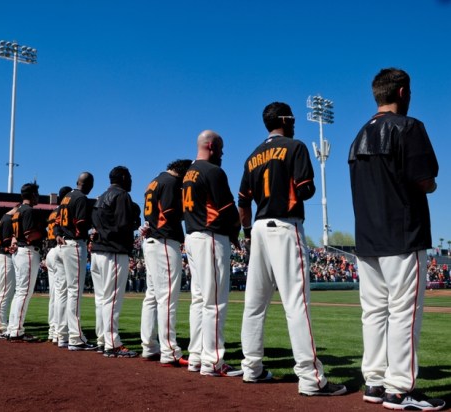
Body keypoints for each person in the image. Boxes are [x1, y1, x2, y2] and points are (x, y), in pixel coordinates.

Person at [348, 68, 444, 410]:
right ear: (402, 92)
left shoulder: (358, 135)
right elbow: (425, 180)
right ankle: (400, 389)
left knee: (373, 313)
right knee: (404, 312)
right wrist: (428, 185)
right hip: (402, 234)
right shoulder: (409, 127)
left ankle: (374, 382)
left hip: (367, 238)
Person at [238, 102, 346, 395]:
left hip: (258, 228)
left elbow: (243, 202)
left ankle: (252, 369)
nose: (295, 122)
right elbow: (305, 188)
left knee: (254, 304)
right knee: (297, 304)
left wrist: (247, 233)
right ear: (284, 119)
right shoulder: (295, 146)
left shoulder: (252, 156)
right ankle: (311, 379)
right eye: (292, 118)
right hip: (285, 226)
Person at [182, 130, 242, 377]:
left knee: (199, 299)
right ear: (211, 146)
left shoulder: (188, 173)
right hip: (211, 237)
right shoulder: (213, 171)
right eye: (221, 148)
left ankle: (196, 356)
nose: (223, 153)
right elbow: (228, 209)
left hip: (192, 237)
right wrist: (236, 233)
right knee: (215, 302)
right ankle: (213, 361)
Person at [140, 159, 192, 366]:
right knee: (167, 298)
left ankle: (149, 346)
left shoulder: (154, 181)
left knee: (152, 296)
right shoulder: (171, 182)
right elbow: (169, 212)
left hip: (152, 240)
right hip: (163, 241)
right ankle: (169, 350)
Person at [91, 166, 138, 357]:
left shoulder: (100, 197)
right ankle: (112, 343)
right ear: (124, 177)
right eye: (130, 177)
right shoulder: (121, 196)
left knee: (101, 299)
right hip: (114, 252)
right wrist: (134, 223)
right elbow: (123, 225)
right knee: (112, 299)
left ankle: (102, 339)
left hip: (98, 252)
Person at [55, 172, 97, 351]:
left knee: (64, 292)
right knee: (74, 292)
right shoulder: (80, 198)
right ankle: (75, 338)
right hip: (74, 245)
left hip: (63, 245)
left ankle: (62, 335)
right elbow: (81, 225)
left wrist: (57, 234)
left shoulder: (66, 198)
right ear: (89, 185)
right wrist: (91, 232)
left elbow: (56, 222)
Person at [8, 183, 42, 342]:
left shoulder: (17, 211)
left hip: (20, 252)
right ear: (33, 194)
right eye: (37, 193)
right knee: (23, 293)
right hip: (27, 251)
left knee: (19, 292)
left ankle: (12, 328)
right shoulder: (28, 210)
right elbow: (29, 235)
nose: (38, 196)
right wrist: (43, 232)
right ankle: (17, 331)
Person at [45, 186, 72, 346]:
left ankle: (53, 330)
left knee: (55, 294)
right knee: (63, 293)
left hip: (50, 252)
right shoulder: (64, 210)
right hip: (60, 250)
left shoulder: (52, 213)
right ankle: (59, 332)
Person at [0, 204, 18, 339]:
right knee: (4, 294)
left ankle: (3, 326)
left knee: (6, 293)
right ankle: (1, 328)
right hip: (5, 258)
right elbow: (8, 242)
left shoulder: (4, 218)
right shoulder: (8, 220)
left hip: (4, 257)